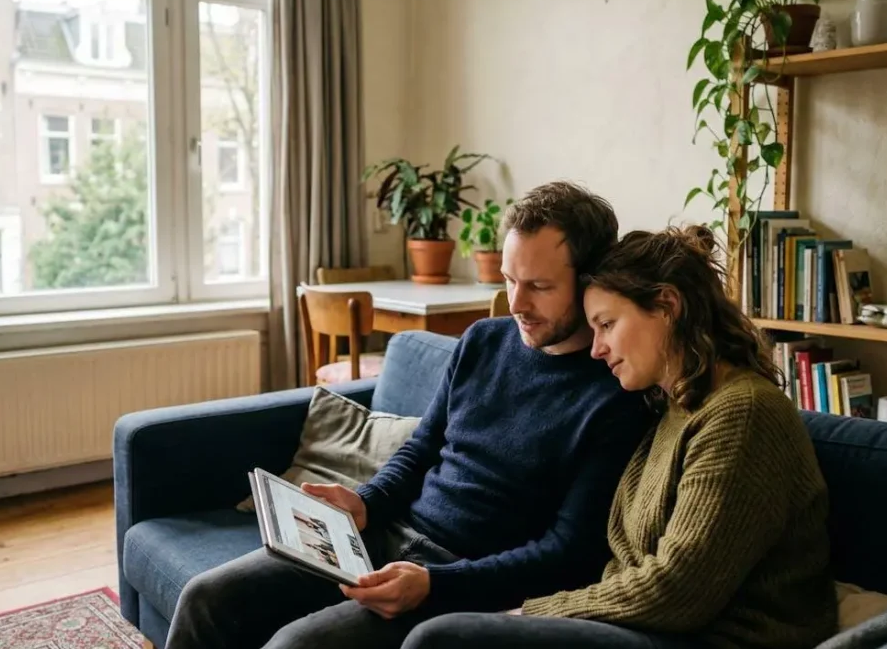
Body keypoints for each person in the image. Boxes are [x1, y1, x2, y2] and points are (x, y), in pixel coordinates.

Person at [161, 182, 659, 649]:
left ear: (590, 280)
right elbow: (423, 448)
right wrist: (365, 504)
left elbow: (568, 552)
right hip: (381, 535)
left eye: (540, 286)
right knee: (208, 597)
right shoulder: (483, 341)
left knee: (295, 645)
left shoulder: (614, 394)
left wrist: (435, 584)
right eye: (509, 280)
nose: (517, 302)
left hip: (460, 573)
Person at [401, 226, 838, 649]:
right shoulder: (671, 408)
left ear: (667, 307)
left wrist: (524, 615)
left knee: (440, 638)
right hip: (647, 629)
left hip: (711, 638)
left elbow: (677, 592)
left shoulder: (743, 413)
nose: (596, 349)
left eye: (606, 325)